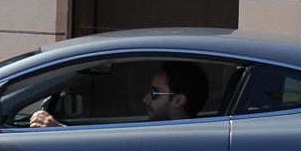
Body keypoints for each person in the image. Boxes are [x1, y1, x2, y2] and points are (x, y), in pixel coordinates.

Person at [29, 60, 209, 127]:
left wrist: (58, 131)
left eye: (154, 93)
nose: (145, 99)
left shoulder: (175, 139)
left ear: (178, 100)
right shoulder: (164, 131)